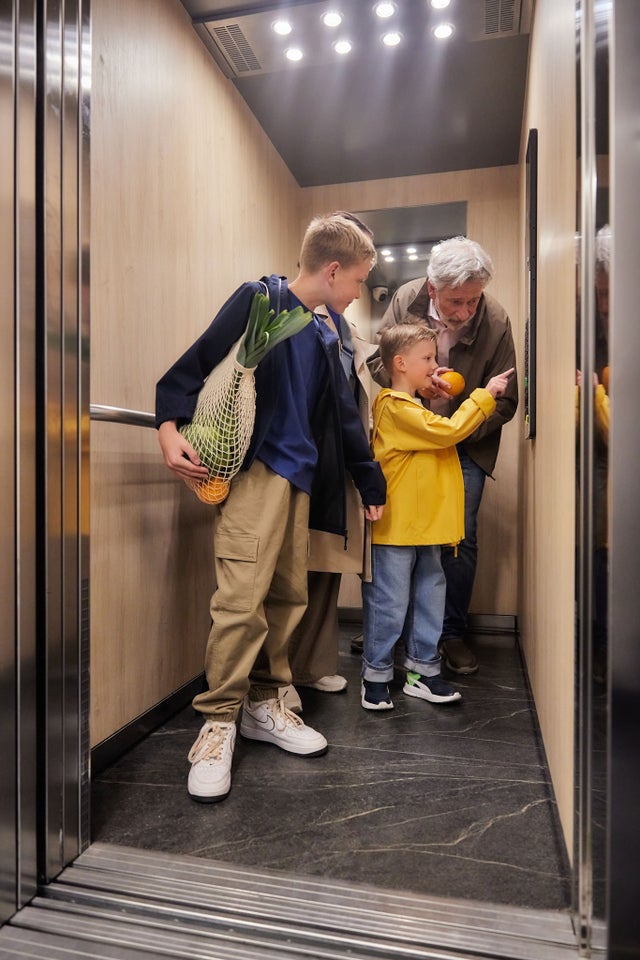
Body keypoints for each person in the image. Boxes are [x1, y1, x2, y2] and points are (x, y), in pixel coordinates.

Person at [155, 213, 386, 802]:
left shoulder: (328, 330)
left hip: (303, 479)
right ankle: (217, 719)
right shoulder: (262, 299)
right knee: (241, 598)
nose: (359, 292)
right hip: (256, 474)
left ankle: (265, 700)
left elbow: (341, 415)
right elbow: (196, 361)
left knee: (288, 594)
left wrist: (370, 481)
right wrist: (166, 425)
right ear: (333, 270)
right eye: (358, 280)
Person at [372, 236, 518, 675]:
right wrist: (418, 388)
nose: (466, 312)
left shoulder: (495, 319)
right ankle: (395, 633)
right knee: (400, 540)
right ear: (432, 289)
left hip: (466, 447)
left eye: (473, 301)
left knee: (458, 540)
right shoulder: (405, 298)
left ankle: (449, 634)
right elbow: (381, 363)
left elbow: (507, 403)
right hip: (410, 446)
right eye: (457, 301)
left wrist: (461, 429)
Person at [361, 323, 514, 709]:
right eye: (427, 359)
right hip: (397, 528)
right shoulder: (394, 407)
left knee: (431, 598)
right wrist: (485, 395)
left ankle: (423, 671)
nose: (436, 365)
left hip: (427, 526)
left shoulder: (410, 404)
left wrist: (429, 384)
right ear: (400, 363)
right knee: (389, 603)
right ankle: (375, 674)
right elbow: (447, 432)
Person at [280, 300, 382, 710]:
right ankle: (276, 673)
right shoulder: (293, 314)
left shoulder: (346, 328)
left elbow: (351, 400)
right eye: (359, 276)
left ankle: (310, 664)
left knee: (327, 564)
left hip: (338, 458)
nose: (360, 288)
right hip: (300, 456)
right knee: (290, 568)